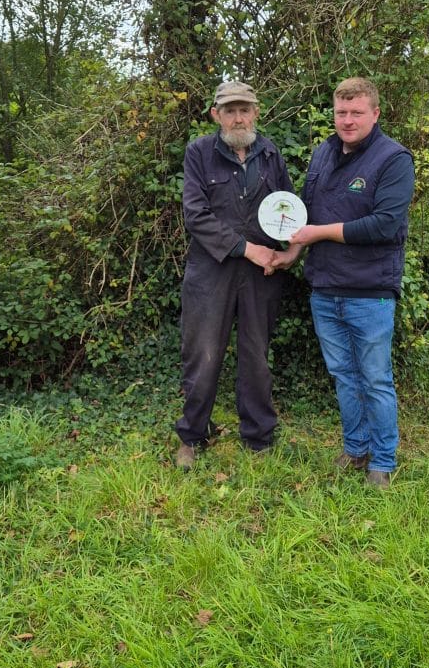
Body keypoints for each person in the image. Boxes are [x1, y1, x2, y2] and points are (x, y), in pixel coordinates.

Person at [277, 77, 414, 489]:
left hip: (370, 293)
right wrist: (292, 251)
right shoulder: (323, 153)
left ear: (375, 113)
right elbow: (305, 218)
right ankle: (356, 450)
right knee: (343, 375)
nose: (348, 120)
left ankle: (383, 462)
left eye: (356, 112)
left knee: (374, 378)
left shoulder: (394, 159)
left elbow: (384, 225)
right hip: (325, 289)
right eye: (341, 112)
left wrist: (316, 234)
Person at [175, 80, 295, 469]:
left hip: (263, 272)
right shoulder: (199, 153)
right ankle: (192, 436)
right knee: (203, 354)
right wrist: (245, 248)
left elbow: (288, 208)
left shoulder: (271, 153)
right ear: (216, 115)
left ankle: (259, 436)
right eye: (230, 110)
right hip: (213, 268)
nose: (238, 117)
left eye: (245, 109)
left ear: (256, 112)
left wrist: (289, 250)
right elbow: (196, 215)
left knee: (256, 353)